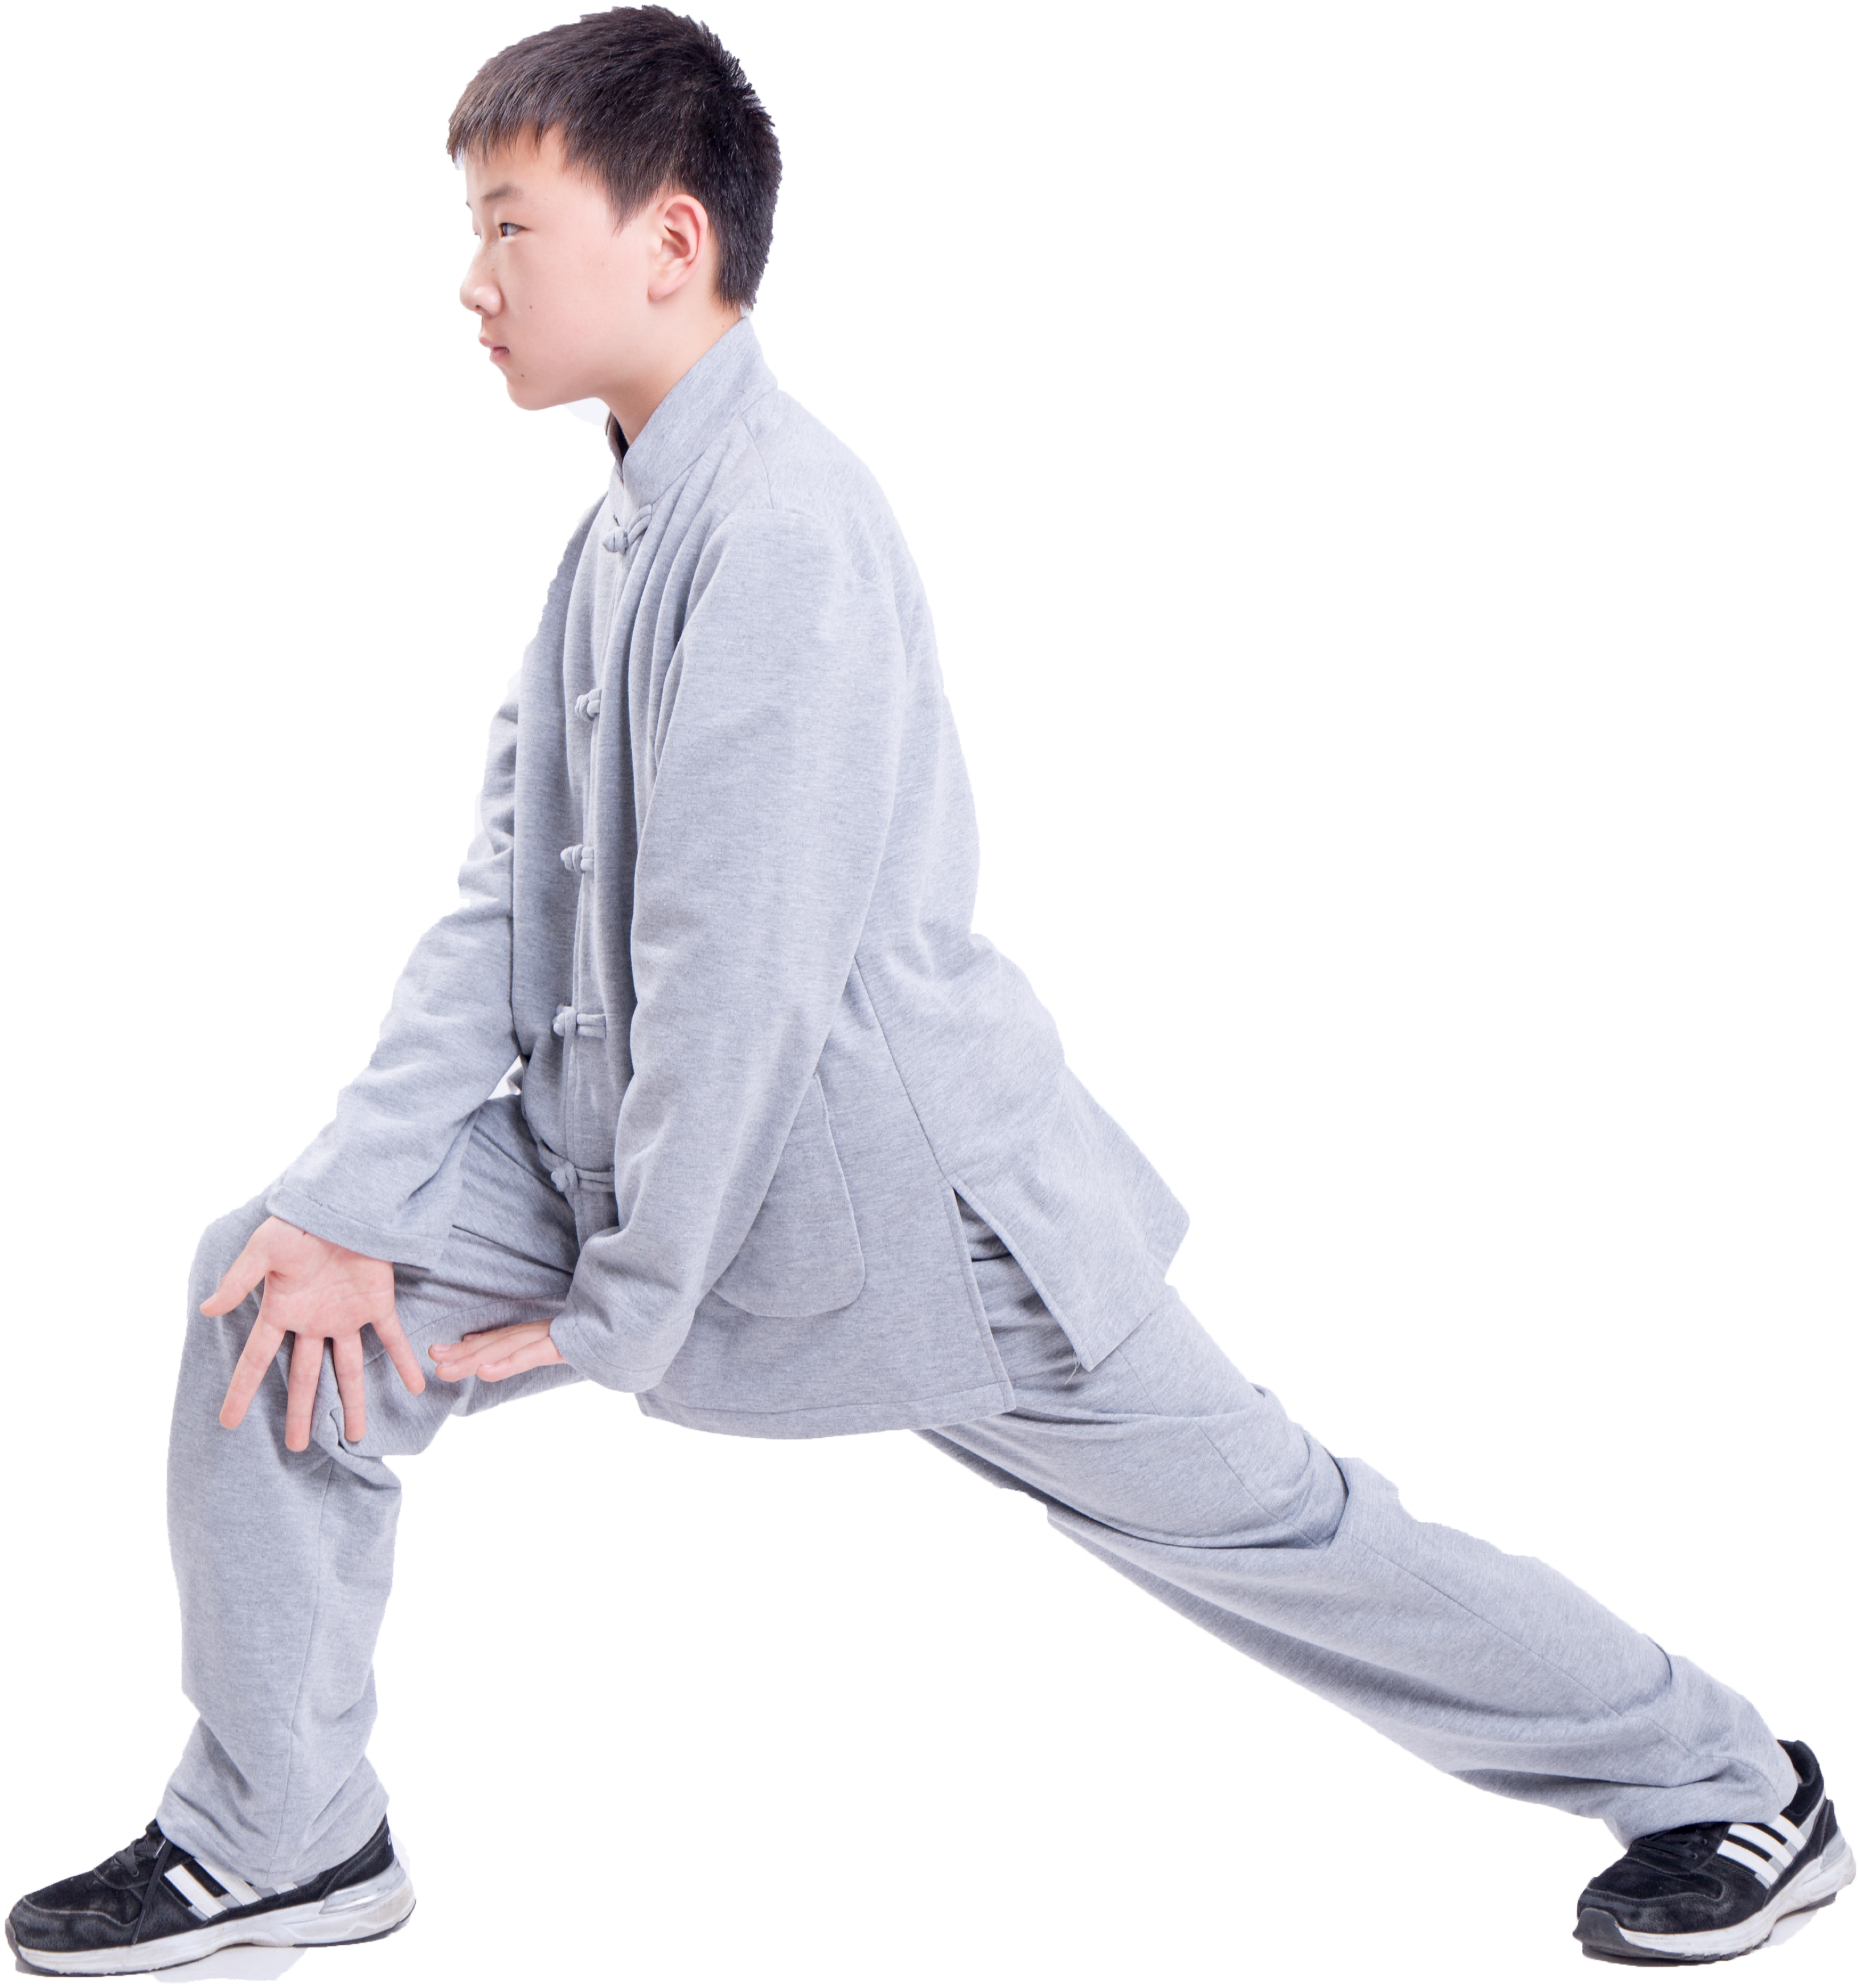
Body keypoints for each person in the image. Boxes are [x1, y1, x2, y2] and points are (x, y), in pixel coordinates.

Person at [5, 5, 1850, 1975]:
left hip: (922, 1217)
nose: (472, 281)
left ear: (671, 240)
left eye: (509, 226)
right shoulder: (603, 546)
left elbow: (743, 973)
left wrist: (630, 1305)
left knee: (1273, 1522)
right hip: (635, 1156)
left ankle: (1729, 1776)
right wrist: (352, 1198)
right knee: (270, 1284)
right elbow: (501, 898)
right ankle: (281, 1830)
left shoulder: (784, 527)